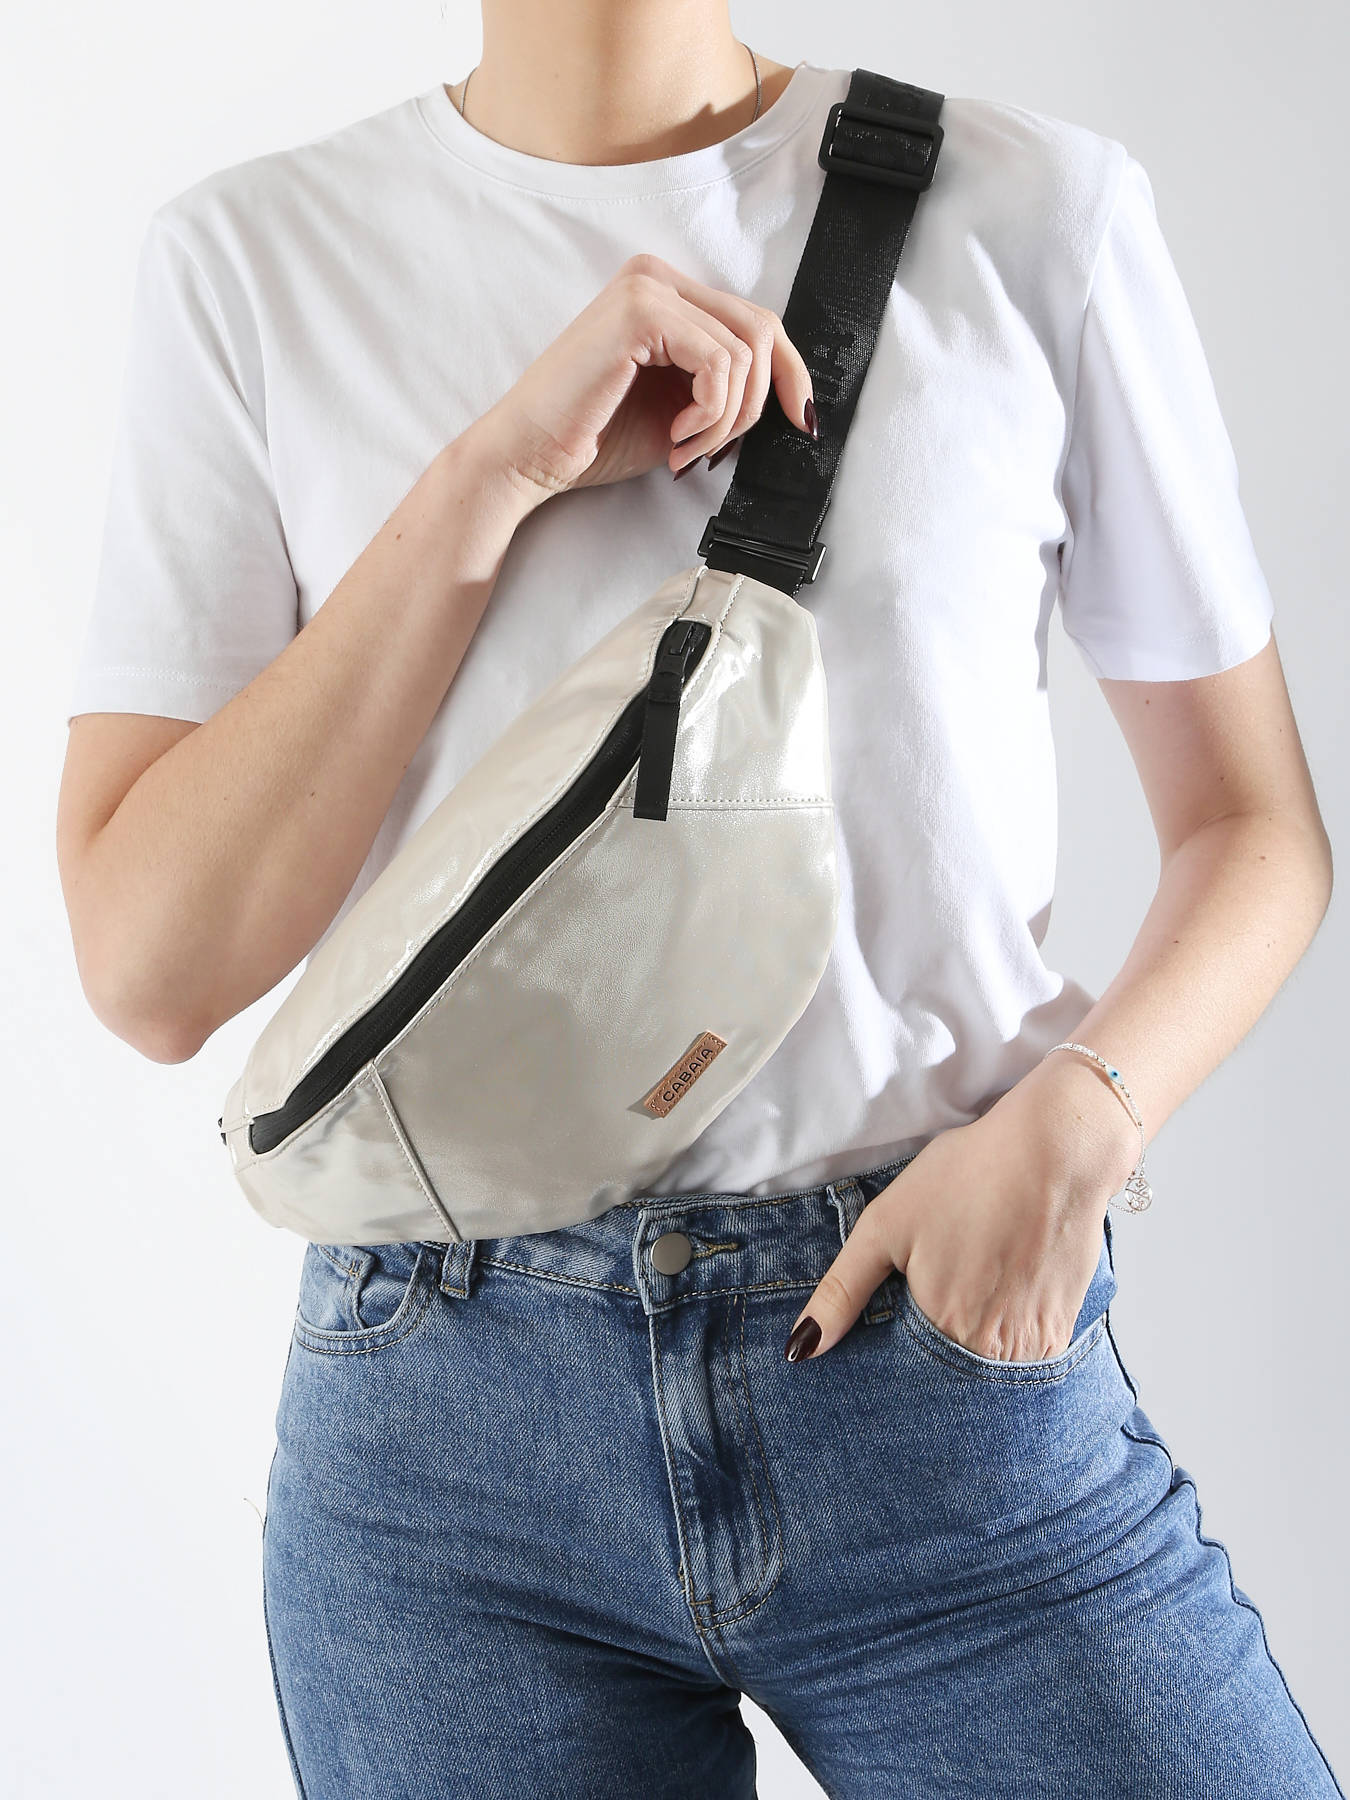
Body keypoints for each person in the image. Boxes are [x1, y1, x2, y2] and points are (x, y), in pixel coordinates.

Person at [55, 7, 1343, 1798]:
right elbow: (153, 969)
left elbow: (1251, 826)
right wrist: (490, 479)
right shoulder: (251, 260)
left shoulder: (1036, 208)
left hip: (924, 1359)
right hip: (444, 1446)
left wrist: (1076, 1130)